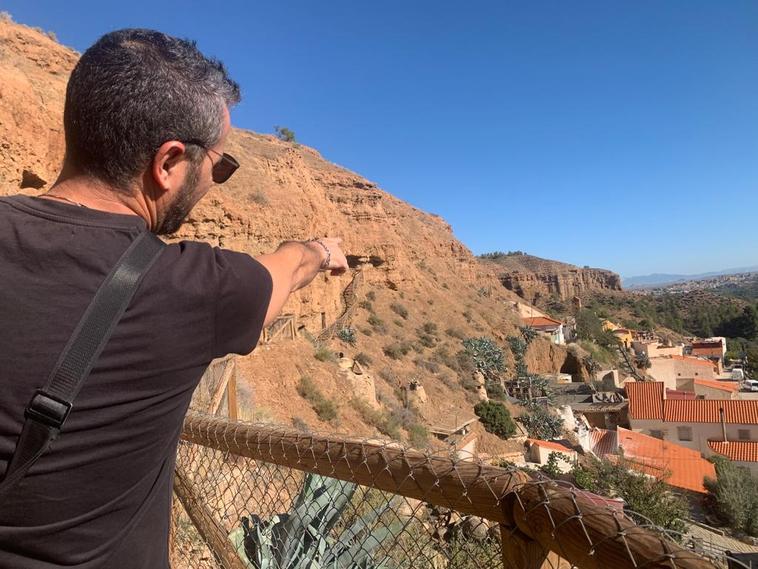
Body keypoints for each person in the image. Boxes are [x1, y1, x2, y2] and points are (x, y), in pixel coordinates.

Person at [0, 28, 348, 569]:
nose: (217, 182)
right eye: (221, 167)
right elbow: (289, 268)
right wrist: (322, 250)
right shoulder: (195, 288)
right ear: (168, 163)